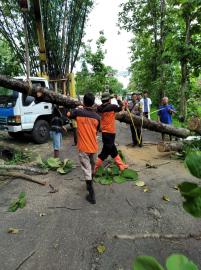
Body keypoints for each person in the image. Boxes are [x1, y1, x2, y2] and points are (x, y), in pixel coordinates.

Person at [67, 93, 100, 204]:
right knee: (92, 166)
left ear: (84, 102)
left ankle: (91, 195)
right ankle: (91, 182)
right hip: (93, 147)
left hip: (83, 148)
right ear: (93, 103)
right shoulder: (97, 117)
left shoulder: (78, 113)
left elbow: (68, 114)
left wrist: (77, 108)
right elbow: (97, 130)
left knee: (87, 170)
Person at [94, 92, 128, 172]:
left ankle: (121, 165)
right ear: (109, 100)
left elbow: (96, 110)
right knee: (105, 152)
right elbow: (122, 107)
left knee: (113, 150)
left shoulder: (99, 108)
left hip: (104, 132)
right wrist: (118, 100)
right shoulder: (112, 107)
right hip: (110, 133)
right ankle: (94, 168)